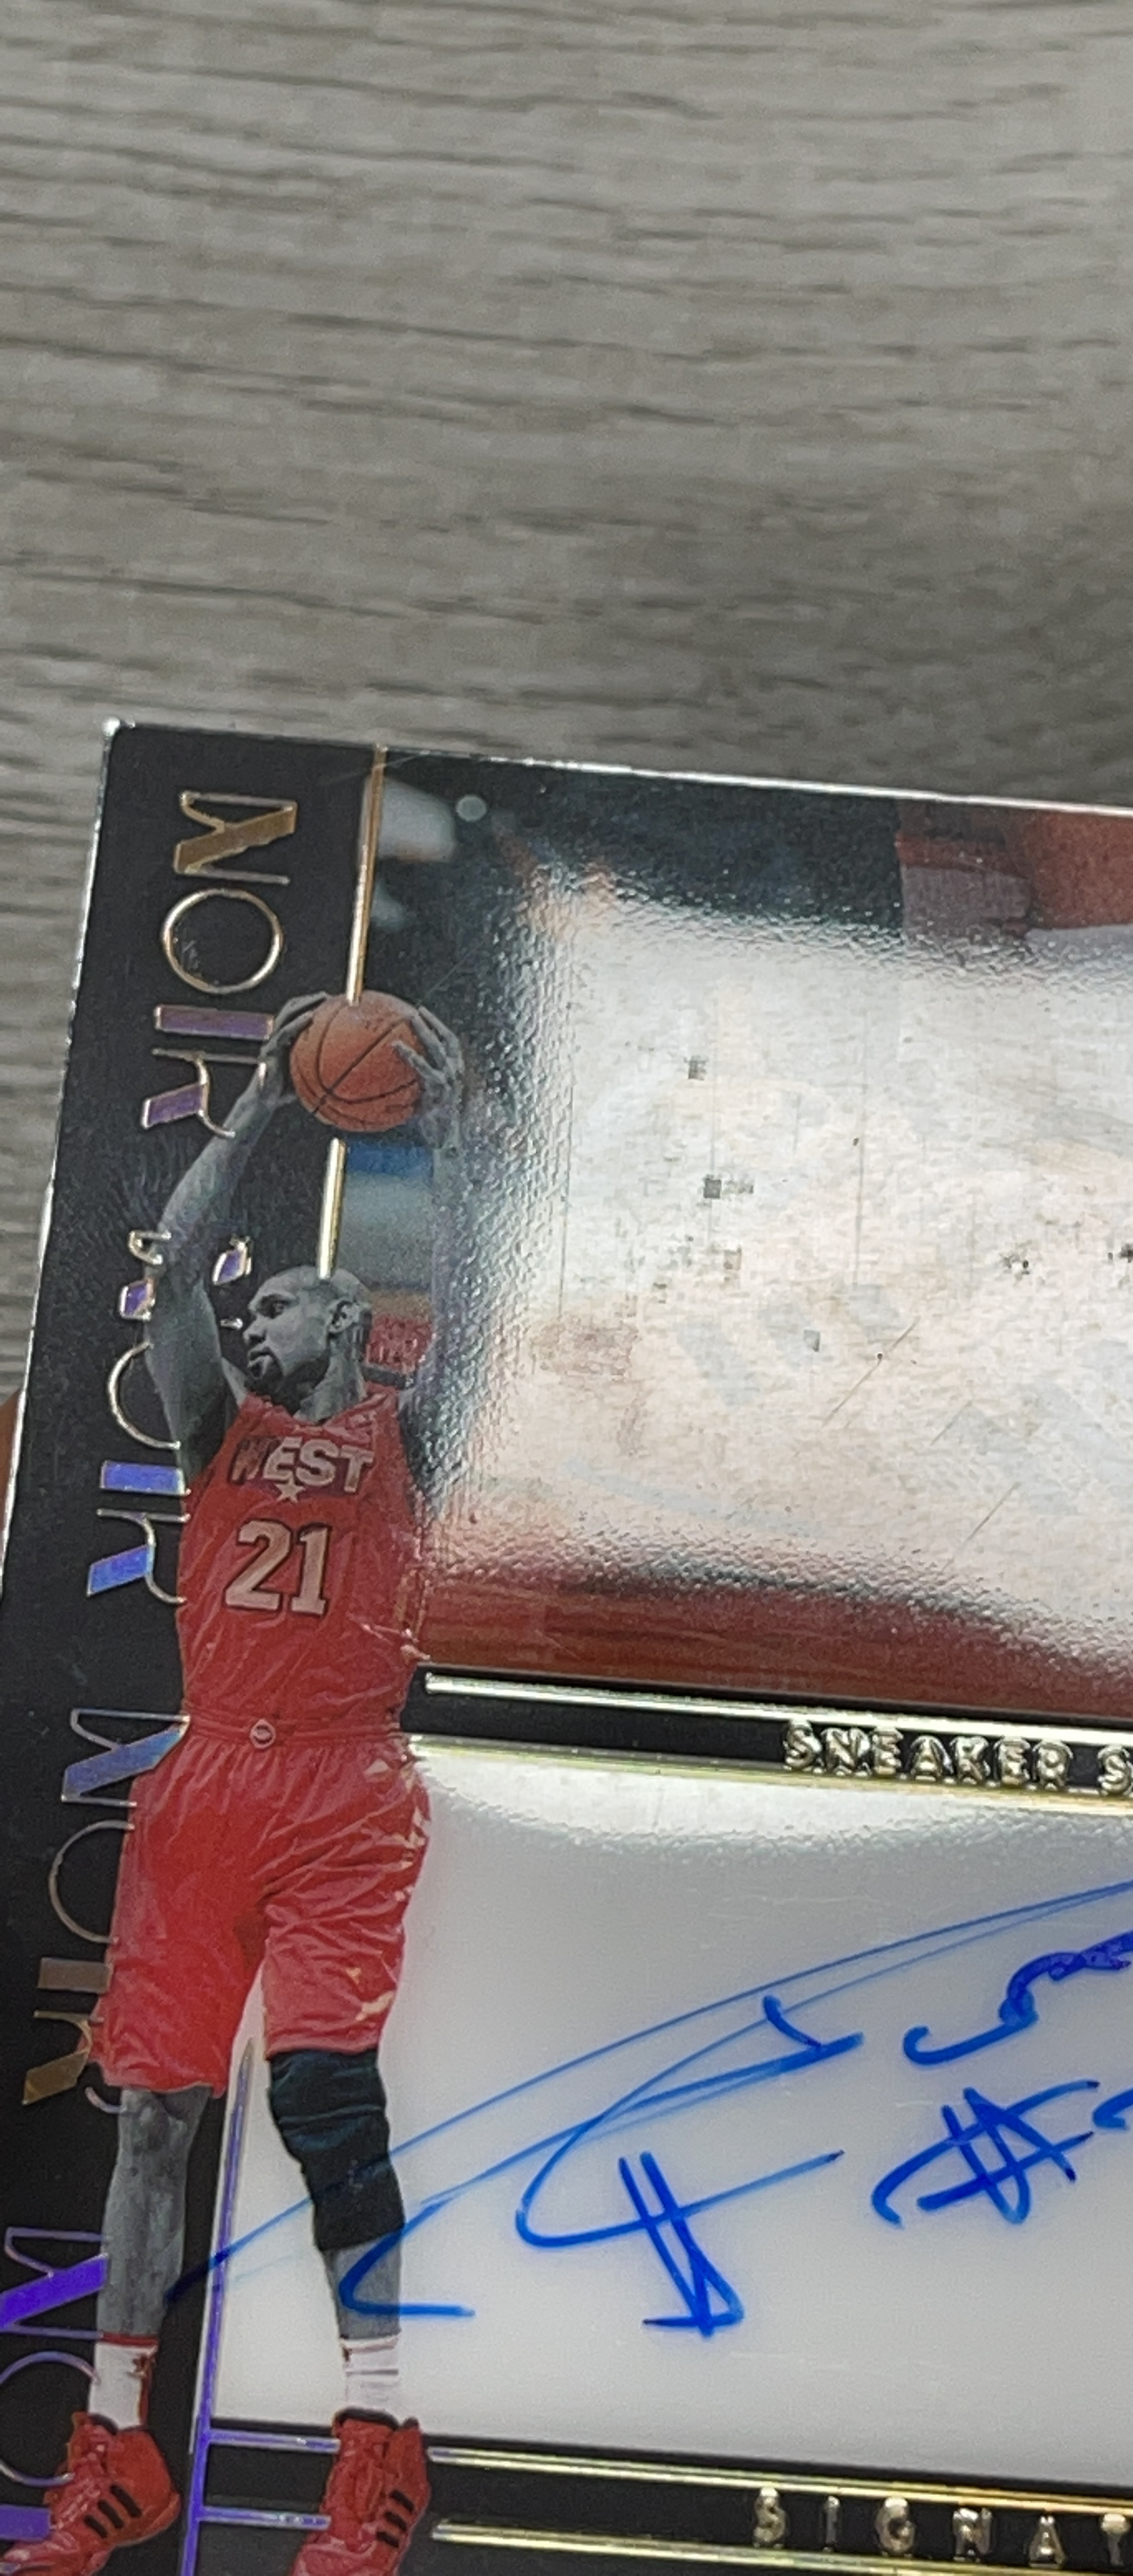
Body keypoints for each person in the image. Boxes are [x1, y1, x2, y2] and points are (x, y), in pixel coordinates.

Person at [3, 994, 468, 2576]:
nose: (251, 1322)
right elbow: (173, 1267)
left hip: (345, 1785)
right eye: (249, 1310)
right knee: (154, 2118)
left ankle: (378, 2443)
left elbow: (484, 1303)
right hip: (207, 1777)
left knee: (324, 2103)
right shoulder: (216, 1426)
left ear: (347, 1318)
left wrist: (450, 1148)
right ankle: (115, 2450)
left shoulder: (412, 1436)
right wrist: (267, 1094)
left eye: (279, 1305)